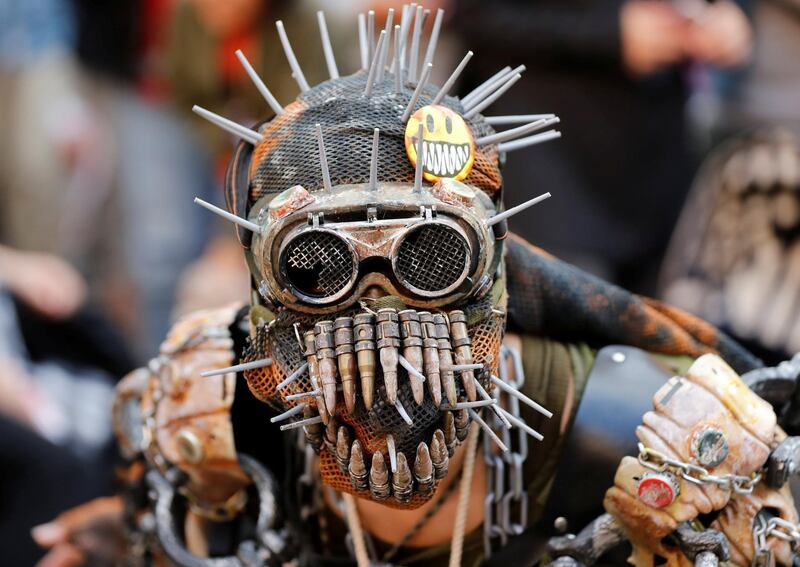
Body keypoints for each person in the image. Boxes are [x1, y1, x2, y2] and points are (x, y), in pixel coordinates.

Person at [32, 7, 769, 567]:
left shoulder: (652, 432)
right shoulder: (215, 415)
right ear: (265, 286)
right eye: (316, 265)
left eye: (431, 256)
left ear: (496, 270)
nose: (377, 309)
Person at [453, 0, 752, 293]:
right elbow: (475, 13)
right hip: (546, 158)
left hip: (656, 168)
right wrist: (610, 33)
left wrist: (731, 14)